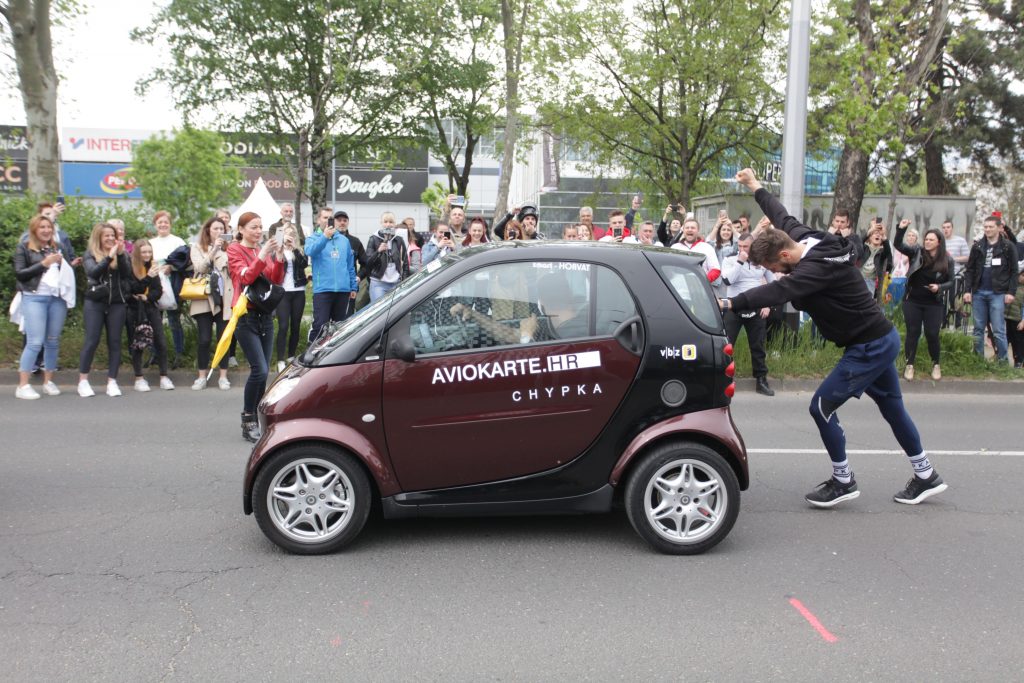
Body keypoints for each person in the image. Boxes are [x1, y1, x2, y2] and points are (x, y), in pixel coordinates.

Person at [720, 168, 948, 507]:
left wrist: (728, 302)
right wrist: (755, 186)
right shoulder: (807, 238)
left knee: (821, 407)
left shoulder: (813, 269)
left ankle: (843, 481)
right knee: (893, 409)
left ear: (784, 256)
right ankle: (926, 474)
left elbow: (777, 291)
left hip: (869, 346)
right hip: (877, 339)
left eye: (775, 267)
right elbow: (780, 214)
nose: (777, 273)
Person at [227, 212, 285, 442]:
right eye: (253, 227)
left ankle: (260, 419)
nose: (258, 230)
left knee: (263, 373)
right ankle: (247, 418)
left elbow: (275, 279)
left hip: (264, 315)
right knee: (259, 369)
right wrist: (262, 254)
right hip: (245, 315)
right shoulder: (234, 249)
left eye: (260, 226)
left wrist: (278, 257)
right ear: (241, 229)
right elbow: (246, 278)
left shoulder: (261, 250)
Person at [13, 214, 72, 399]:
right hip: (34, 298)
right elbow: (20, 274)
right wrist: (43, 264)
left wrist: (64, 264)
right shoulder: (23, 248)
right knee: (35, 342)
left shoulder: (58, 247)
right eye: (42, 227)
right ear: (34, 230)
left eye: (49, 227)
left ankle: (48, 381)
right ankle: (23, 385)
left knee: (52, 340)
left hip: (56, 299)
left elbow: (68, 272)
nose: (46, 230)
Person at [78, 223, 132, 398]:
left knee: (115, 342)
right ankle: (83, 381)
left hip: (117, 303)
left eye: (112, 235)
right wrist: (108, 257)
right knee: (91, 340)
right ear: (98, 237)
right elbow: (93, 273)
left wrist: (121, 254)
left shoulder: (120, 253)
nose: (110, 238)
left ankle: (112, 381)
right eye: (106, 236)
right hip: (95, 303)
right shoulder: (90, 254)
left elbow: (126, 274)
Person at [895, 225, 954, 381]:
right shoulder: (916, 252)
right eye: (926, 239)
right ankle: (909, 365)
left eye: (931, 239)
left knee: (932, 334)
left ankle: (936, 364)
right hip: (912, 300)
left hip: (933, 303)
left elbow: (952, 281)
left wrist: (939, 287)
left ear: (939, 242)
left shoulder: (947, 259)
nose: (927, 242)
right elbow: (898, 245)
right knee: (913, 332)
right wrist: (900, 230)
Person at [721, 232, 775, 396]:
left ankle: (761, 380)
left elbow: (774, 285)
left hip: (756, 307)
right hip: (733, 306)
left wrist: (768, 304)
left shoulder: (761, 261)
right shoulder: (730, 259)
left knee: (758, 346)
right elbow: (728, 280)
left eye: (746, 247)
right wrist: (740, 261)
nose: (743, 249)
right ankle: (723, 380)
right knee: (726, 346)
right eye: (740, 246)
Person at [963, 215, 1020, 363]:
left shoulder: (1008, 246)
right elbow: (969, 270)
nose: (987, 229)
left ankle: (1002, 361)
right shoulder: (977, 246)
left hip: (998, 293)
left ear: (999, 227)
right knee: (978, 328)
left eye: (991, 227)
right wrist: (967, 291)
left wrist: (1010, 292)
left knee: (999, 330)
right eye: (986, 227)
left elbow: (1014, 271)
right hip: (979, 292)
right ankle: (978, 361)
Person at [189, 216, 234, 391]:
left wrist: (226, 250)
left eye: (222, 229)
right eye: (215, 228)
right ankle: (201, 376)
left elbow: (233, 270)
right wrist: (214, 250)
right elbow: (200, 268)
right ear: (208, 230)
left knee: (223, 339)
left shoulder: (230, 249)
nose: (219, 232)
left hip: (224, 298)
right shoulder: (197, 248)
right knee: (204, 339)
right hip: (204, 298)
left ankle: (223, 376)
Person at [127, 239, 175, 393]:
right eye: (144, 252)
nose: (147, 255)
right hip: (134, 310)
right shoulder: (130, 267)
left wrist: (147, 297)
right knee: (137, 344)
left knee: (160, 341)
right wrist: (147, 277)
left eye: (149, 252)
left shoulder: (152, 266)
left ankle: (164, 376)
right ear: (137, 253)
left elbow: (158, 290)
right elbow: (133, 289)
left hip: (150, 307)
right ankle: (139, 378)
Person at [305, 208, 357, 343]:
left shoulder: (344, 240)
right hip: (323, 289)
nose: (328, 220)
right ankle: (312, 353)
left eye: (330, 218)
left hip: (343, 290)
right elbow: (310, 251)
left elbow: (350, 265)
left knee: (339, 328)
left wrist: (353, 286)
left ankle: (334, 357)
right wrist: (324, 237)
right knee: (320, 325)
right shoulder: (313, 238)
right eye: (324, 217)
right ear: (318, 220)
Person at [148, 210, 187, 363]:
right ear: (155, 225)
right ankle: (155, 353)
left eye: (166, 222)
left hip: (173, 284)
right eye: (160, 222)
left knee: (174, 320)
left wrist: (172, 267)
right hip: (155, 285)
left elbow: (186, 262)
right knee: (154, 320)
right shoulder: (151, 243)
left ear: (170, 224)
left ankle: (179, 353)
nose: (163, 224)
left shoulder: (178, 241)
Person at [274, 225, 308, 371]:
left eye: (292, 234)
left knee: (295, 325)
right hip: (283, 292)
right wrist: (281, 247)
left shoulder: (299, 250)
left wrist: (294, 248)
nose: (289, 236)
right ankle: (280, 359)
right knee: (283, 326)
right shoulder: (277, 250)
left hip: (298, 291)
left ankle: (291, 355)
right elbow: (274, 267)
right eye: (287, 234)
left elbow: (304, 264)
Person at [365, 212, 410, 302]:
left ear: (394, 224)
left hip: (396, 283)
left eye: (391, 222)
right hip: (378, 283)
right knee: (379, 312)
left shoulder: (399, 239)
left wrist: (404, 281)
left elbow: (405, 263)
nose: (388, 224)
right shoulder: (374, 238)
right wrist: (378, 251)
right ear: (381, 223)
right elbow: (368, 262)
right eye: (385, 222)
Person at [670, 216, 722, 285]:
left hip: (700, 290)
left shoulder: (707, 247)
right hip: (678, 288)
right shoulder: (675, 247)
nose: (689, 230)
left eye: (693, 228)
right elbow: (669, 269)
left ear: (698, 230)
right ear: (683, 230)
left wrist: (702, 281)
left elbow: (716, 270)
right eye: (687, 228)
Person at [860, 220, 893, 301]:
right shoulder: (864, 248)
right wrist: (870, 231)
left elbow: (888, 253)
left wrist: (884, 236)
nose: (877, 235)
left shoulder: (882, 251)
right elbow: (859, 242)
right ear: (870, 237)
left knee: (866, 302)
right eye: (875, 233)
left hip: (871, 280)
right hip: (858, 278)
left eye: (879, 234)